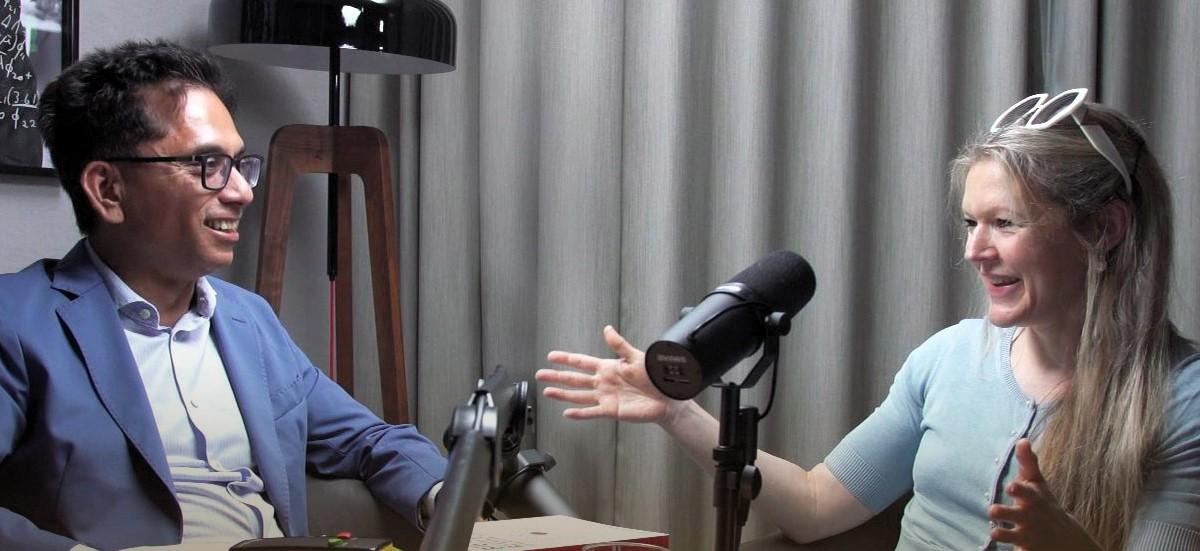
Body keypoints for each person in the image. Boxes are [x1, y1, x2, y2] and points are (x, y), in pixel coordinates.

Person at [537, 89, 1200, 550]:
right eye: (970, 223)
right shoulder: (947, 359)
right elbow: (815, 507)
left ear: (1104, 229)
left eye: (1005, 222)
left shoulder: (1182, 399)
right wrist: (675, 412)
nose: (974, 250)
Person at [0, 40, 447, 550]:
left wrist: (443, 497)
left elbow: (366, 439)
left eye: (238, 164)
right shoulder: (17, 322)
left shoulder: (248, 319)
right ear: (108, 189)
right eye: (208, 164)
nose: (242, 192)